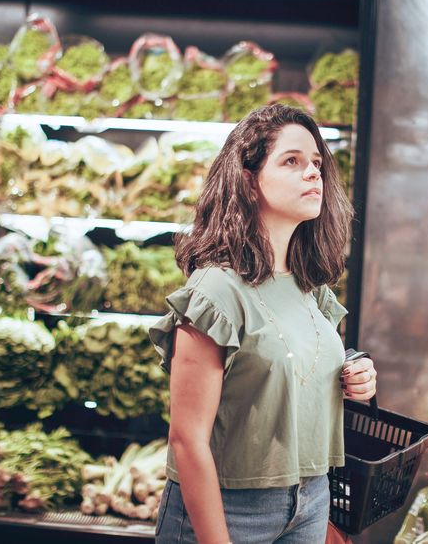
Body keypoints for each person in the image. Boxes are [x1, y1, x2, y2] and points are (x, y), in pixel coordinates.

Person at [150, 104, 378, 544]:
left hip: (311, 498)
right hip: (229, 509)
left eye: (316, 163)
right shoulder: (215, 292)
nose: (313, 173)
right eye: (291, 161)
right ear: (248, 180)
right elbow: (187, 440)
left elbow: (291, 364)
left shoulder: (310, 286)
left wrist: (354, 373)